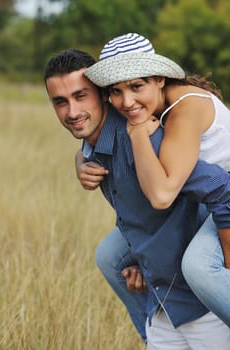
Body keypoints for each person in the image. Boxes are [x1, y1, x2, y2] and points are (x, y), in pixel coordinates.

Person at [44, 48, 230, 349]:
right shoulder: (94, 146)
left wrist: (226, 263)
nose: (72, 112)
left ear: (103, 94)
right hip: (164, 304)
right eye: (60, 102)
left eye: (81, 96)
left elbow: (221, 187)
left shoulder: (147, 139)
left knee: (197, 266)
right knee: (108, 257)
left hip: (202, 307)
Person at [84, 32, 230, 326]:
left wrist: (137, 134)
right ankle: (153, 334)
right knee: (111, 257)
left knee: (199, 267)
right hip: (207, 203)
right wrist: (81, 158)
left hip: (223, 199)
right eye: (115, 91)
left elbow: (162, 195)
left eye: (136, 86)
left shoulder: (185, 108)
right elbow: (97, 132)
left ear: (160, 79)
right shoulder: (148, 106)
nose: (126, 102)